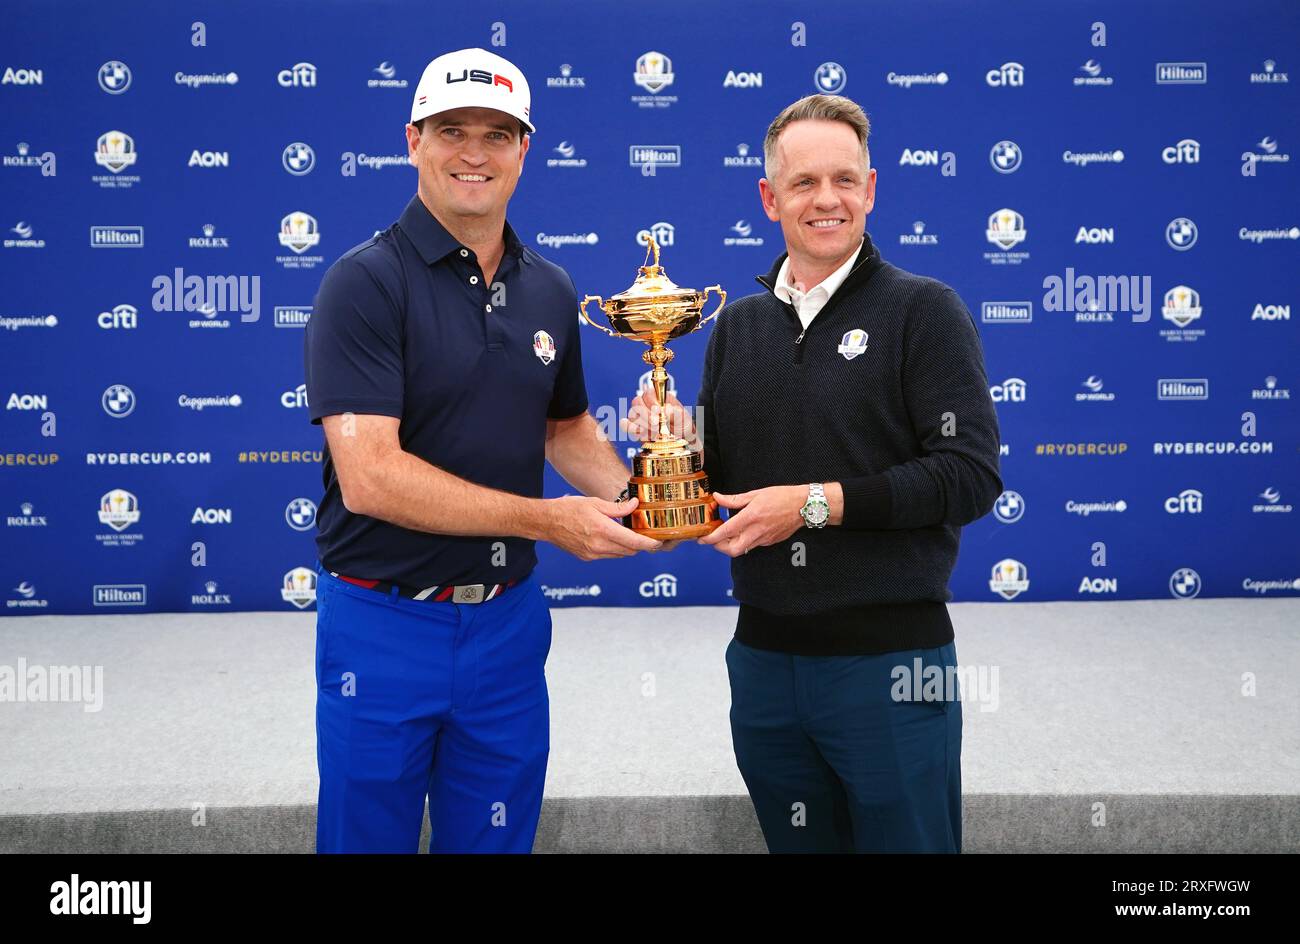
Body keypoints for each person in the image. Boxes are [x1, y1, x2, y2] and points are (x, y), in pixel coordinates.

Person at [304, 47, 661, 854]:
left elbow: (564, 428)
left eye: (498, 134)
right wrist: (547, 520)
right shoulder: (362, 283)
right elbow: (370, 477)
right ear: (412, 141)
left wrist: (653, 501)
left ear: (524, 150)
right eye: (452, 130)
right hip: (381, 623)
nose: (475, 152)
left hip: (506, 625)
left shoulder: (550, 287)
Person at [628, 94, 1002, 853]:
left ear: (871, 188)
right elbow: (725, 480)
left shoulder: (924, 311)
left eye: (844, 179)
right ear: (770, 199)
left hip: (893, 663)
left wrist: (813, 506)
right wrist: (676, 448)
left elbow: (967, 476)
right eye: (803, 183)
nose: (826, 199)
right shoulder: (738, 324)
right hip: (763, 664)